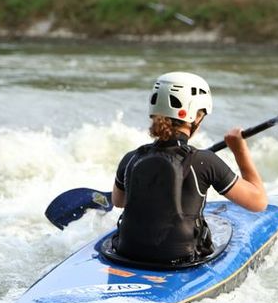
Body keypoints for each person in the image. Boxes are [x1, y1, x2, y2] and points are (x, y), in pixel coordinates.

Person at [111, 71, 267, 265]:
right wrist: (239, 150)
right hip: (181, 259)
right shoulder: (204, 161)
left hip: (128, 253)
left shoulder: (131, 158)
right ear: (197, 116)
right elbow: (258, 202)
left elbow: (118, 201)